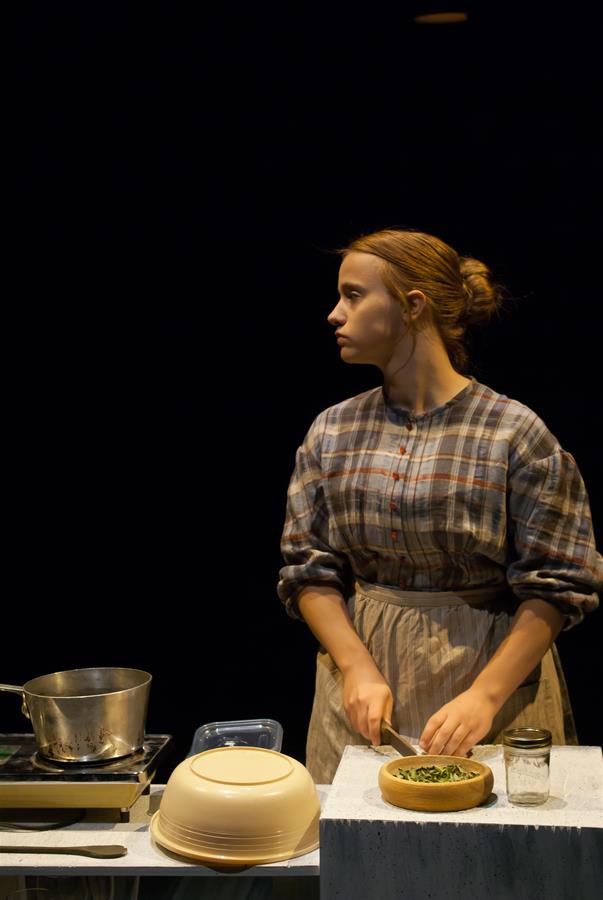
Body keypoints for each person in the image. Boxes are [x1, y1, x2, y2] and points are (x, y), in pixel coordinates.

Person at [277, 227, 603, 785]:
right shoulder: (332, 430)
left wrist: (485, 695)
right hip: (363, 683)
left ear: (412, 307)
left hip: (489, 681)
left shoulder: (513, 433)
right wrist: (355, 668)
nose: (335, 314)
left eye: (354, 295)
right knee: (361, 852)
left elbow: (559, 583)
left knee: (493, 858)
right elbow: (309, 567)